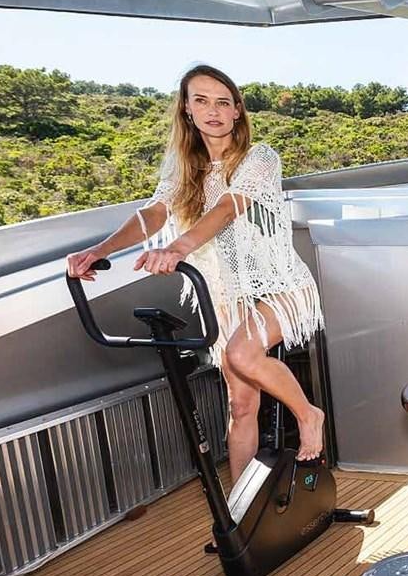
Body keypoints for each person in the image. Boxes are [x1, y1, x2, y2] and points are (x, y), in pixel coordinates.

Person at [66, 64, 326, 483]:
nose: (214, 111)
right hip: (225, 293)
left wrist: (178, 247)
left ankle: (308, 414)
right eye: (201, 101)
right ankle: (241, 505)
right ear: (187, 110)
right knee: (240, 405)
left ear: (238, 111)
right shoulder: (183, 165)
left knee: (242, 354)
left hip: (278, 285)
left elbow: (228, 208)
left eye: (224, 102)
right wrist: (99, 250)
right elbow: (154, 212)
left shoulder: (260, 158)